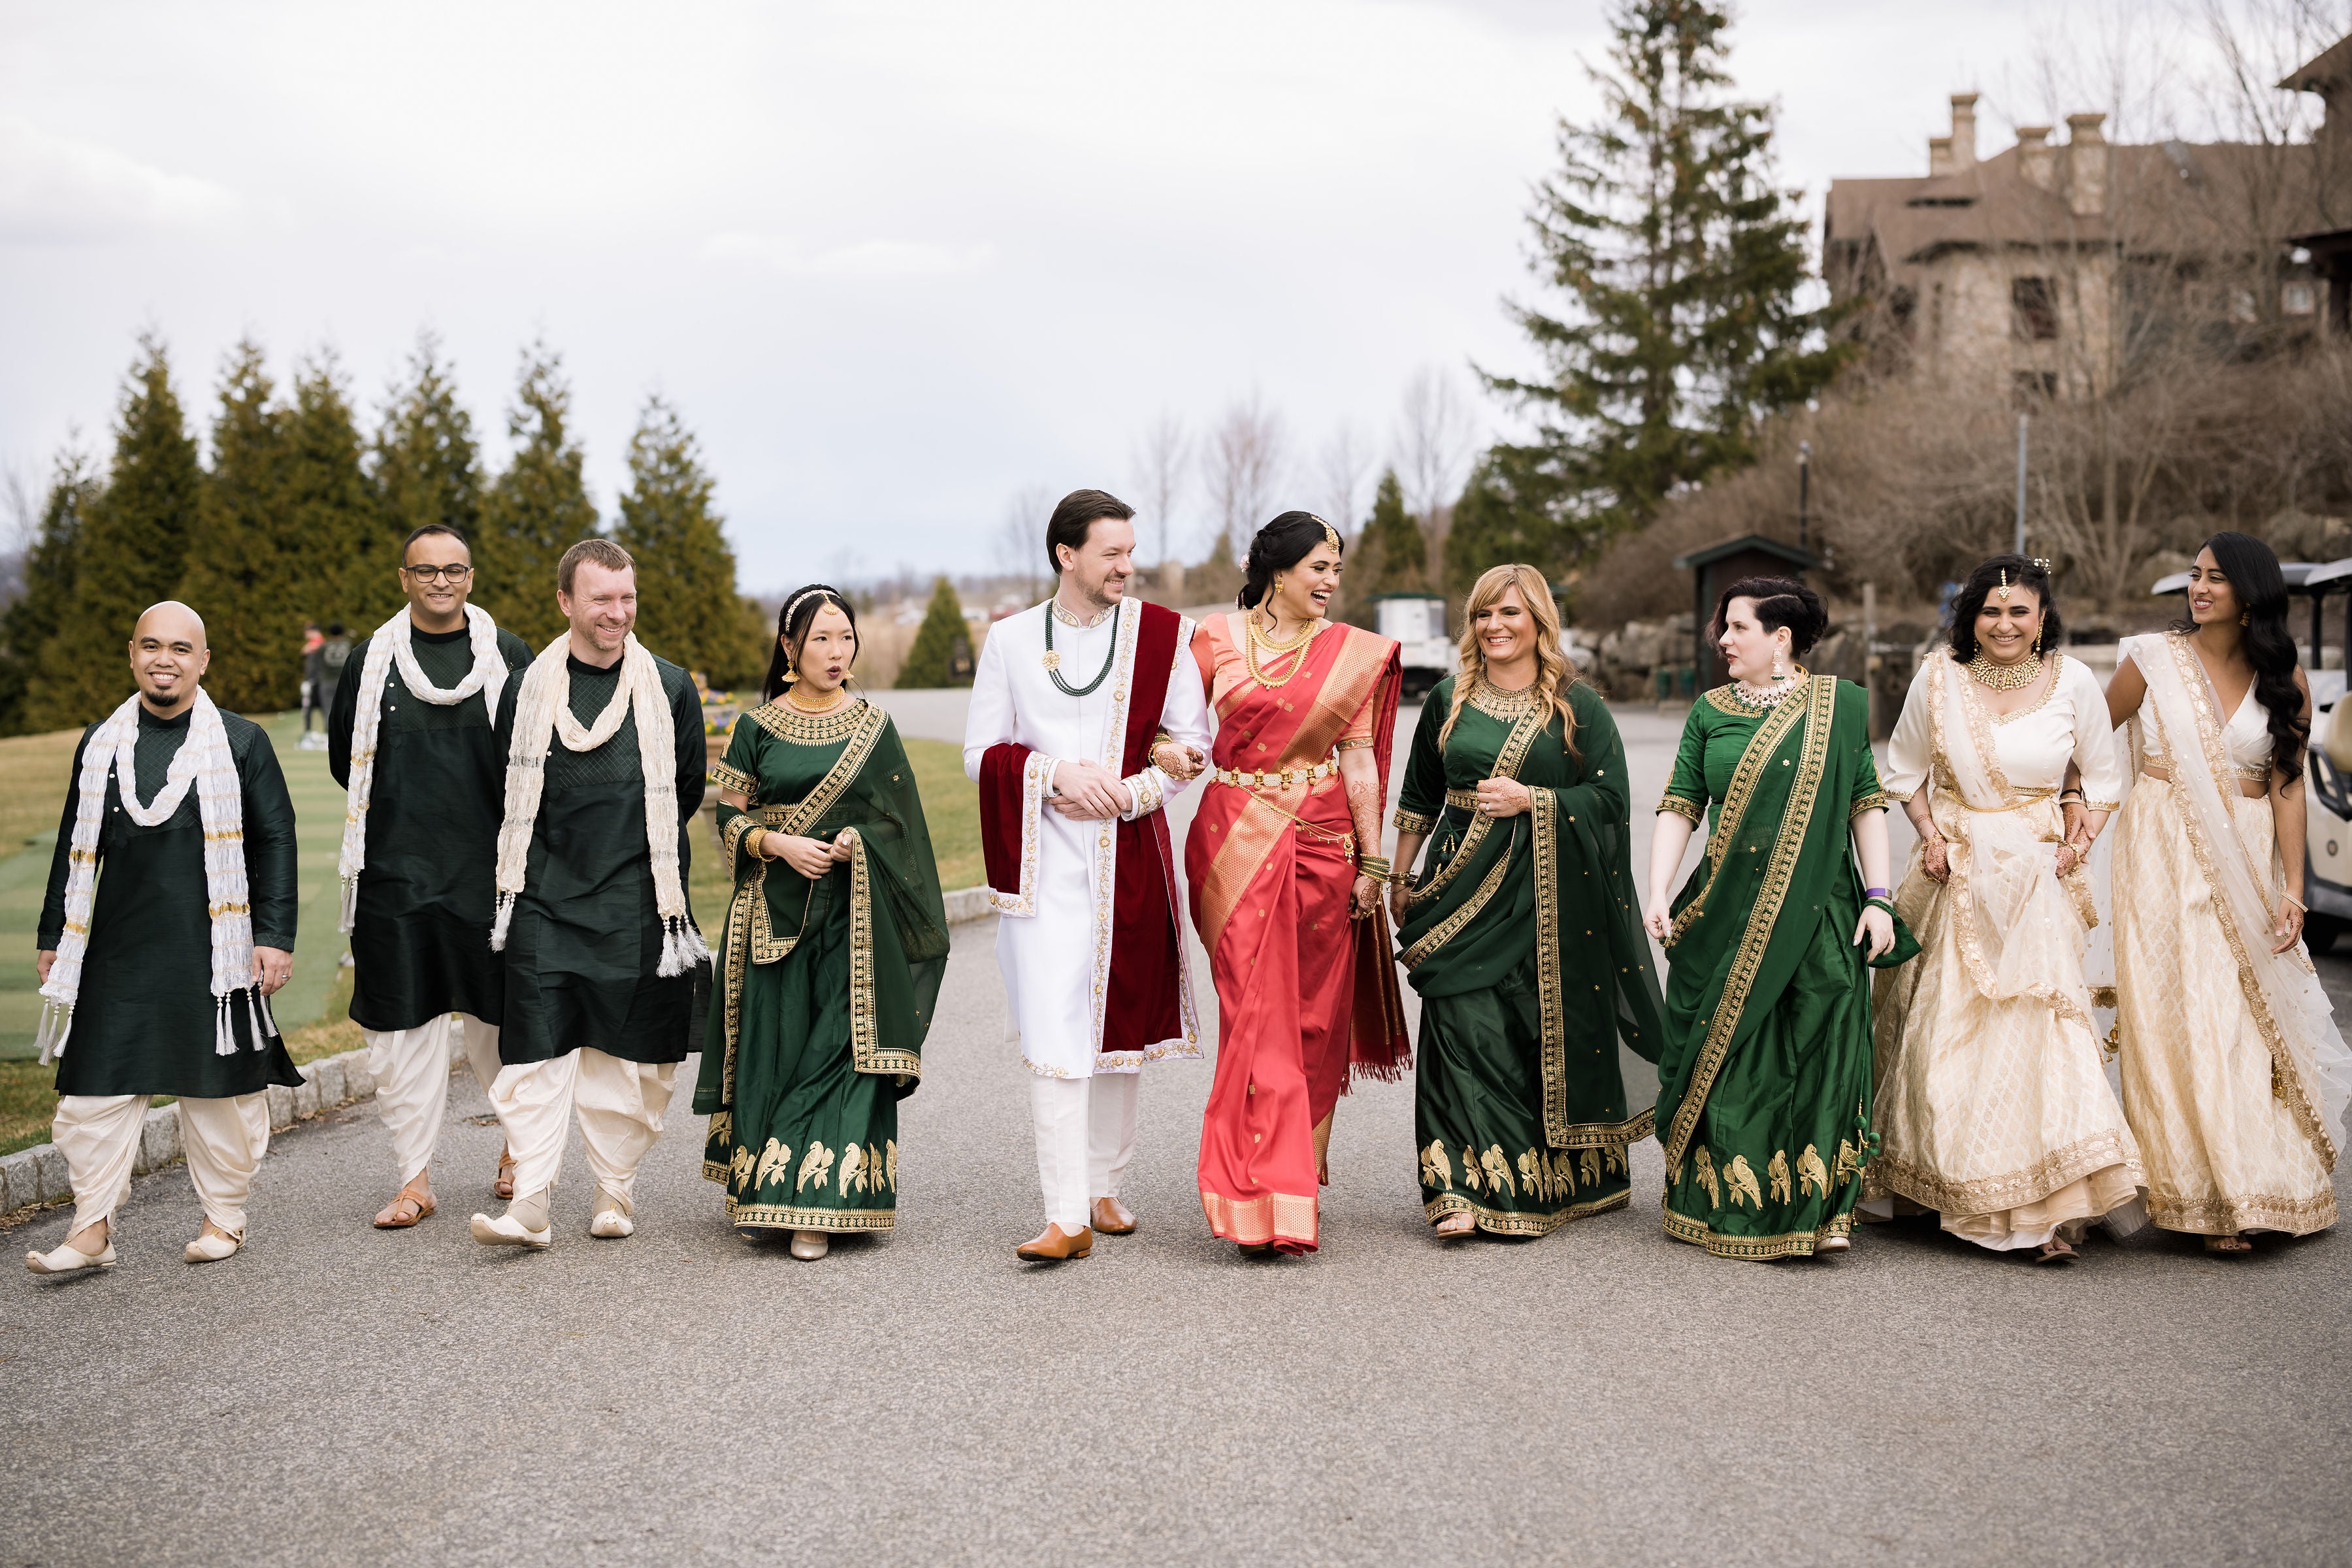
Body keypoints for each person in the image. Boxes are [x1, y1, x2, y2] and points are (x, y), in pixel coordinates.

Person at [1867, 555, 2142, 1263]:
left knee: (2042, 1036)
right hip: (1956, 869)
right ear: (1971, 617)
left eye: (2020, 611)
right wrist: (1929, 835)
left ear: (2043, 617)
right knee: (1947, 1037)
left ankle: (2042, 1211)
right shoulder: (1937, 678)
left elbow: (2104, 776)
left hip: (2034, 877)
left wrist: (2080, 839)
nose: (2005, 624)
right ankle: (1955, 1187)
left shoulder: (2075, 682)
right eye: (1991, 611)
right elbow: (1903, 770)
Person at [964, 489, 1212, 1262]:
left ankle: (1103, 1183)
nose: (1126, 567)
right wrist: (1053, 774)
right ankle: (1064, 1213)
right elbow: (981, 753)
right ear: (1066, 555)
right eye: (1110, 553)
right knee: (1054, 1027)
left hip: (1128, 856)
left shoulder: (1162, 635)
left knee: (1118, 1027)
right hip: (1041, 867)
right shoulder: (1009, 641)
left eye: (1130, 552)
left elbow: (1193, 740)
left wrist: (1135, 791)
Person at [25, 602, 300, 1275]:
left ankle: (223, 1220)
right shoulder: (100, 742)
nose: (164, 659)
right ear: (131, 653)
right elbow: (73, 846)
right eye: (152, 646)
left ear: (203, 661)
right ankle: (91, 1233)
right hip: (115, 949)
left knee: (219, 1095)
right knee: (92, 1093)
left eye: (181, 648)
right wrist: (55, 935)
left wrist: (273, 936)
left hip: (213, 950)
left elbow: (275, 841)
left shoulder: (240, 741)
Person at [1391, 564, 1662, 1239]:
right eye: (1484, 614)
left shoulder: (1578, 705)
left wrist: (1533, 799)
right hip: (1459, 888)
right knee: (1460, 1025)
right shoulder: (1449, 697)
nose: (1495, 627)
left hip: (1550, 899)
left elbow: (1609, 802)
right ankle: (1455, 1187)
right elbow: (1419, 795)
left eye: (1510, 614)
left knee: (1530, 1034)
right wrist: (1400, 877)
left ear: (1540, 621)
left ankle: (1539, 1179)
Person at [2101, 532, 2351, 1252]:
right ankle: (2199, 1193)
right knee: (2172, 1017)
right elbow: (2087, 737)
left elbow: (2288, 785)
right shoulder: (2150, 660)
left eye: (2216, 578)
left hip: (2246, 853)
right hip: (2158, 850)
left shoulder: (2285, 675)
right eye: (2195, 574)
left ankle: (2249, 1184)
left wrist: (2295, 890)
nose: (2199, 587)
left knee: (2238, 1019)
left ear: (2250, 594)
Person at [1644, 577, 1905, 1260]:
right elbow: (1680, 805)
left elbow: (1864, 805)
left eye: (1737, 628)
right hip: (1726, 909)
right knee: (1733, 1058)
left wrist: (1879, 898)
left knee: (1822, 1052)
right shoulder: (1709, 711)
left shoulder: (1839, 708)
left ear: (1781, 639)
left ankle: (1821, 1209)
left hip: (1824, 910)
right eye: (1723, 627)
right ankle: (1729, 1201)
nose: (1722, 640)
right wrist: (1657, 890)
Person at [695, 587, 949, 1260]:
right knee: (776, 1052)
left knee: (837, 1054)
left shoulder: (875, 725)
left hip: (854, 922)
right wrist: (777, 845)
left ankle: (820, 1208)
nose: (837, 653)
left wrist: (853, 844)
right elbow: (727, 816)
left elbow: (901, 827)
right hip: (771, 919)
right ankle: (765, 1191)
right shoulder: (755, 727)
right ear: (788, 649)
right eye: (820, 641)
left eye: (845, 638)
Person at [470, 539, 709, 1250]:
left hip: (640, 895)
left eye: (627, 597)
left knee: (629, 1061)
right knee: (536, 1055)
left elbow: (687, 786)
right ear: (566, 601)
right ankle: (533, 1204)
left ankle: (614, 1189)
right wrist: (540, 873)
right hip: (543, 894)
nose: (617, 612)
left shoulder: (668, 687)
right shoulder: (528, 686)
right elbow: (504, 789)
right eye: (601, 598)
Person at [1187, 512, 1409, 1255]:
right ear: (1278, 569)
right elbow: (1175, 727)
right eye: (1320, 568)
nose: (1332, 583)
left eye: (1337, 570)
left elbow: (1359, 761)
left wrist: (1374, 861)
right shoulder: (1214, 638)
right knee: (1255, 1011)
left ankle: (1297, 1171)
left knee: (1315, 1016)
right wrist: (1164, 750)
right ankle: (1253, 1184)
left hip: (1325, 844)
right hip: (1233, 842)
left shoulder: (1348, 654)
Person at [329, 524, 532, 1230]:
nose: (440, 581)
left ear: (471, 577)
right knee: (400, 1038)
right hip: (397, 882)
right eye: (426, 571)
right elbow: (344, 762)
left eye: (453, 569)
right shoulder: (370, 661)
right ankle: (414, 1180)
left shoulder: (508, 656)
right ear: (404, 578)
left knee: (500, 1029)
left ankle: (517, 1150)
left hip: (491, 879)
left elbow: (534, 763)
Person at [299, 621, 323, 737]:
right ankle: (308, 732)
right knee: (309, 708)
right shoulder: (314, 644)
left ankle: (311, 733)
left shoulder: (318, 643)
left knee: (315, 707)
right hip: (313, 680)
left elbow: (306, 649)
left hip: (315, 680)